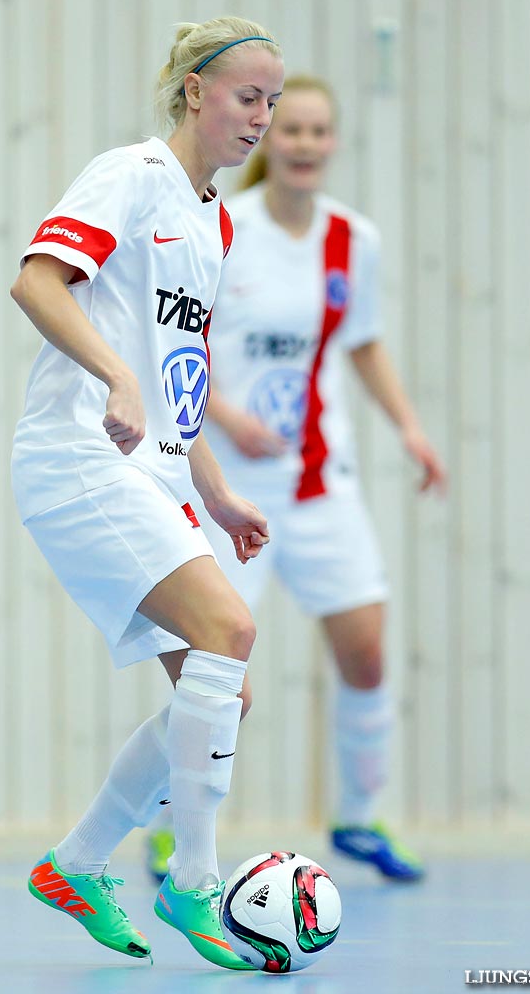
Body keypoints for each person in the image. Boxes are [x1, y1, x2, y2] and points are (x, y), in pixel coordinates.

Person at [9, 18, 284, 969]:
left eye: (274, 102)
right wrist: (113, 376)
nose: (264, 117)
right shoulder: (129, 174)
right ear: (196, 91)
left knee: (224, 697)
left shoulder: (214, 219)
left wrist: (220, 495)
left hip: (154, 469)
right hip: (79, 455)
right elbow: (37, 284)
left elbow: (180, 381)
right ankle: (195, 882)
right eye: (249, 96)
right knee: (230, 632)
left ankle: (77, 864)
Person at [144, 74, 446, 885]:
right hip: (231, 487)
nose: (304, 143)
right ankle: (172, 829)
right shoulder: (222, 228)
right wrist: (224, 415)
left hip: (321, 486)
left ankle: (358, 816)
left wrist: (410, 429)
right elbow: (176, 341)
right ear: (266, 139)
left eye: (319, 131)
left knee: (368, 653)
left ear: (333, 142)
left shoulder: (355, 241)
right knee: (215, 669)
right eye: (290, 129)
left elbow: (365, 342)